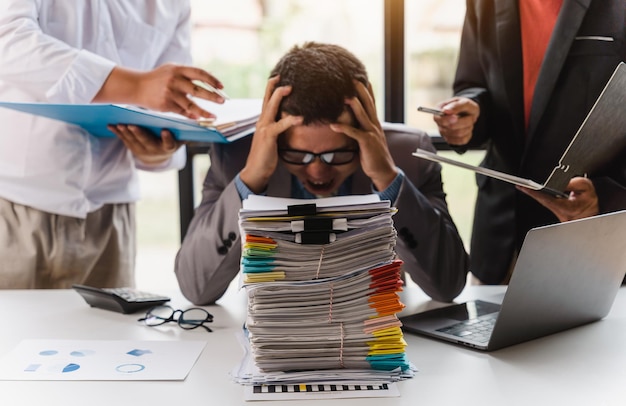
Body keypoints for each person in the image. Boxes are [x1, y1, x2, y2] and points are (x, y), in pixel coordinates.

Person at [175, 42, 469, 305]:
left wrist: (387, 178)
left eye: (337, 154)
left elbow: (448, 286)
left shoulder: (411, 155)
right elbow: (195, 288)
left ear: (365, 130)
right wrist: (251, 180)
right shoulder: (235, 157)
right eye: (298, 155)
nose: (317, 170)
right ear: (277, 139)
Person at [0, 0, 226, 289]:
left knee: (110, 333)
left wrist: (159, 152)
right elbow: (8, 40)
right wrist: (136, 86)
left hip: (111, 217)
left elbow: (167, 104)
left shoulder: (173, 6)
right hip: (15, 207)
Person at [431, 0, 626, 284]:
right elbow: (473, 84)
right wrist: (469, 115)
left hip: (586, 239)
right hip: (497, 243)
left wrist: (609, 197)